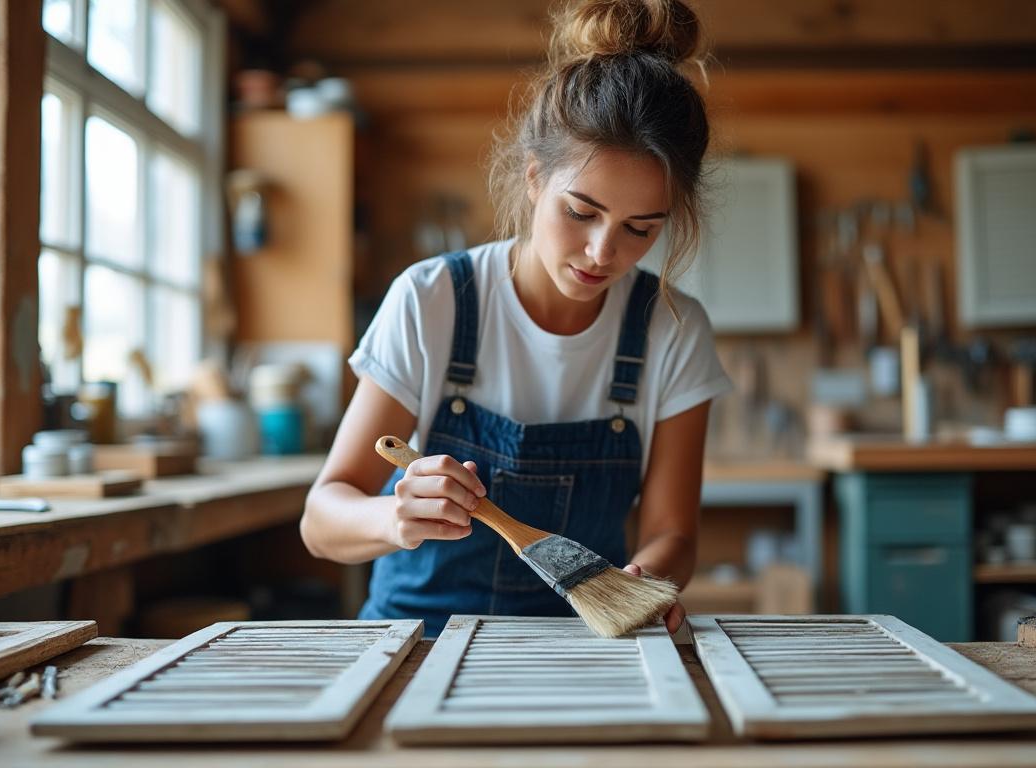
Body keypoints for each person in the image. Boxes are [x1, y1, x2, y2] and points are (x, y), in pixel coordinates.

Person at [300, 0, 730, 637]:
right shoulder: (432, 299)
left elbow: (673, 534)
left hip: (578, 645)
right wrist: (395, 518)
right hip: (413, 640)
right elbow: (321, 521)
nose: (602, 252)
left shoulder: (673, 328)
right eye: (581, 213)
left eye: (640, 229)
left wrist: (645, 578)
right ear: (533, 179)